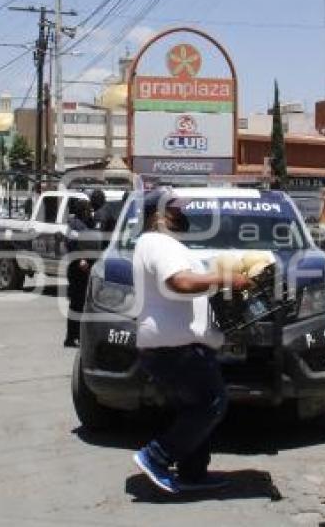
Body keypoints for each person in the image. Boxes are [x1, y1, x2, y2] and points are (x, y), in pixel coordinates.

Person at [131, 190, 250, 494]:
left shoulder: (158, 244)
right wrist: (224, 278)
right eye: (173, 210)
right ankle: (155, 456)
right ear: (155, 216)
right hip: (174, 349)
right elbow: (180, 282)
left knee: (194, 407)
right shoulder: (159, 243)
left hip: (172, 346)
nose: (181, 215)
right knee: (212, 404)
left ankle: (193, 473)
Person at [64, 199, 94, 348]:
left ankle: (79, 336)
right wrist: (81, 259)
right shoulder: (75, 225)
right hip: (77, 269)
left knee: (82, 304)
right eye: (88, 210)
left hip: (84, 269)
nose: (90, 213)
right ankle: (71, 337)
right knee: (76, 304)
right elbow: (72, 244)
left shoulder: (85, 224)